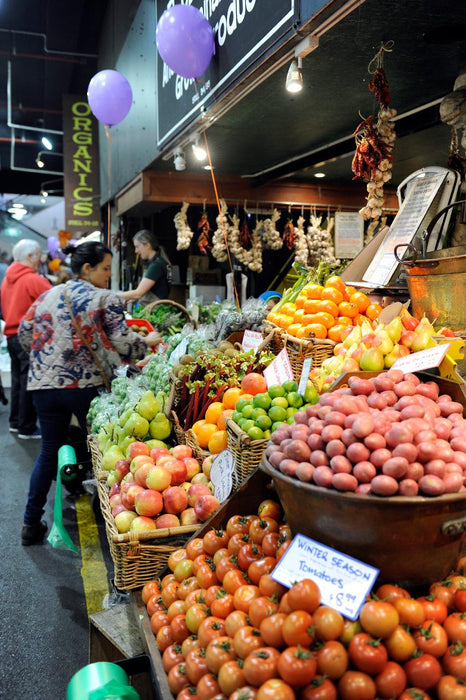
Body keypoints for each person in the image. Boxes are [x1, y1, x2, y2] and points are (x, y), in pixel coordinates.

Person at [18, 240, 162, 546]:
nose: (109, 275)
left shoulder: (47, 294)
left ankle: (30, 523)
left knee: (48, 451)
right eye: (106, 268)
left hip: (43, 385)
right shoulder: (104, 297)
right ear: (88, 268)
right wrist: (147, 342)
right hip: (85, 386)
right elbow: (123, 341)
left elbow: (23, 331)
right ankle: (105, 510)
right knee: (101, 447)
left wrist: (47, 358)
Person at [0, 239, 52, 438]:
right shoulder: (32, 279)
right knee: (28, 382)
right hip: (27, 338)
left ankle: (15, 422)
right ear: (30, 256)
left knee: (17, 381)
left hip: (11, 336)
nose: (40, 260)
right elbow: (54, 299)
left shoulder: (7, 279)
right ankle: (26, 426)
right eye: (38, 255)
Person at [118, 229, 171, 304]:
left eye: (137, 247)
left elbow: (138, 293)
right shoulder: (159, 261)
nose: (136, 251)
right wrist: (131, 298)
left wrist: (114, 295)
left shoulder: (156, 265)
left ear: (147, 245)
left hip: (154, 310)